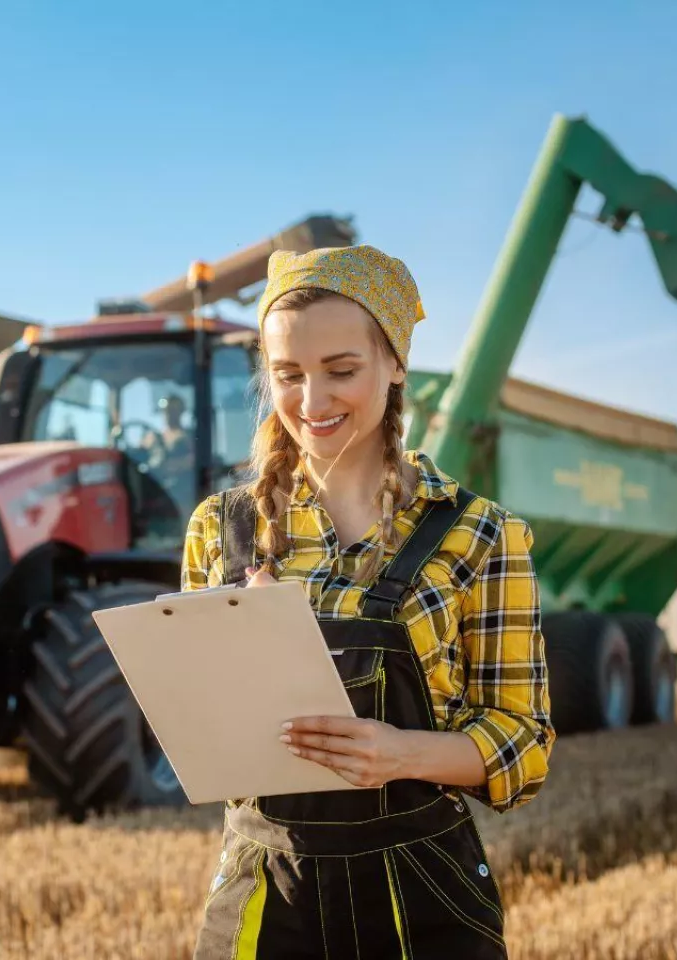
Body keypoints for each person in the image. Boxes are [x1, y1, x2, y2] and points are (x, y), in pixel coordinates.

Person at [180, 244, 555, 958]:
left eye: (341, 371)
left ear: (396, 367)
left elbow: (524, 745)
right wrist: (245, 645)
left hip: (420, 889)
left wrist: (401, 754)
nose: (312, 403)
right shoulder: (222, 531)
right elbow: (203, 740)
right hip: (264, 888)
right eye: (288, 375)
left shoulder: (481, 534)